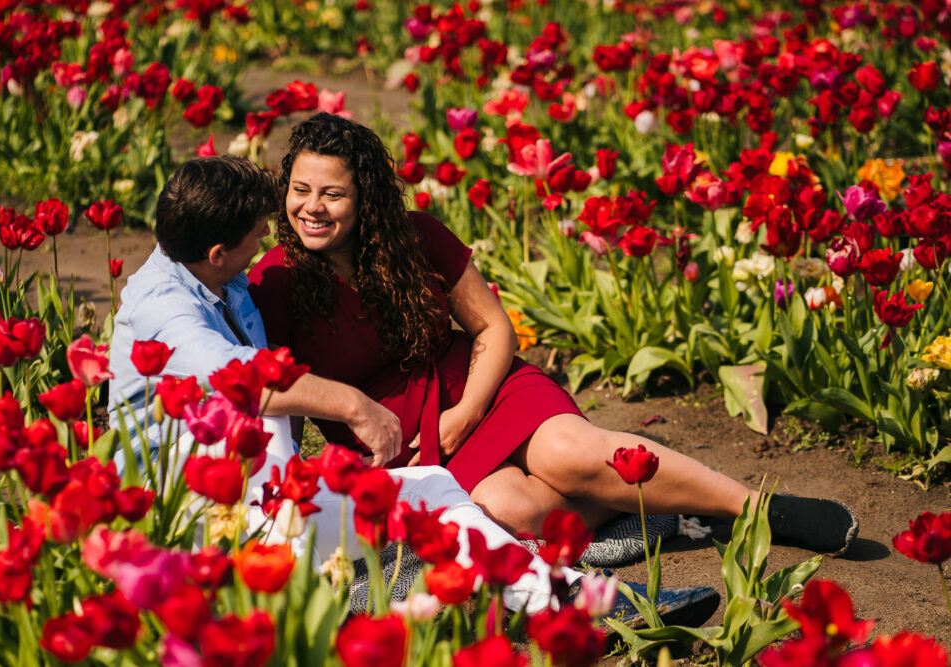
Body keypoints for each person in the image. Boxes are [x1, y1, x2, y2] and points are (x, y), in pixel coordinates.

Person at [106, 154, 722, 625]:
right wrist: (355, 406)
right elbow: (240, 379)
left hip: (271, 497)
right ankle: (566, 602)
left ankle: (575, 601)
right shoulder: (164, 310)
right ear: (218, 251)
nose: (269, 235)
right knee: (445, 512)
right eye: (257, 232)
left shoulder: (217, 275)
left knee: (434, 489)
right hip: (209, 525)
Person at [248, 113, 859, 556]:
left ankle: (754, 507)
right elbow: (280, 400)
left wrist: (466, 412)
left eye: (333, 193)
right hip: (400, 445)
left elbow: (493, 327)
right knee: (506, 511)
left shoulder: (414, 237)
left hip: (476, 388)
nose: (312, 207)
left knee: (568, 456)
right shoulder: (275, 282)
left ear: (367, 199)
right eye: (300, 190)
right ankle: (655, 496)